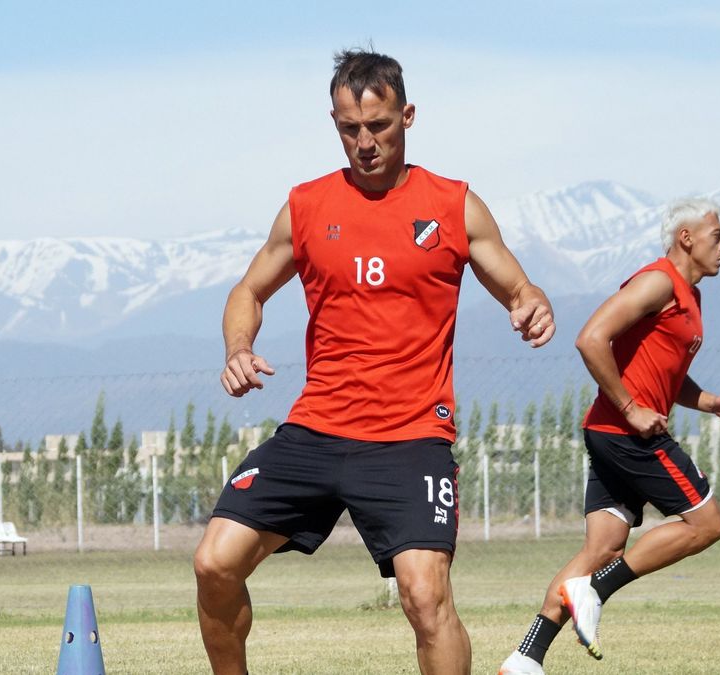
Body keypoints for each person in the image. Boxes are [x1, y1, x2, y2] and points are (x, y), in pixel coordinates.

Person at [193, 49, 555, 675]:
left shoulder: (454, 205)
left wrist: (532, 305)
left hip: (410, 435)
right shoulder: (306, 207)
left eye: (379, 126)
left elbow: (519, 288)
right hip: (316, 429)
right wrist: (238, 349)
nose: (364, 143)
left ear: (408, 115)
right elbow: (247, 292)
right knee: (214, 561)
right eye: (349, 128)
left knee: (424, 594)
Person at [498, 199, 720, 674]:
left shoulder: (690, 297)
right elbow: (591, 338)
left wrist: (711, 402)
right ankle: (595, 590)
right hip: (626, 432)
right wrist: (632, 409)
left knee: (602, 548)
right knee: (706, 523)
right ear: (686, 239)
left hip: (608, 430)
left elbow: (661, 374)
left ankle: (526, 656)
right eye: (717, 235)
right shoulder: (658, 282)